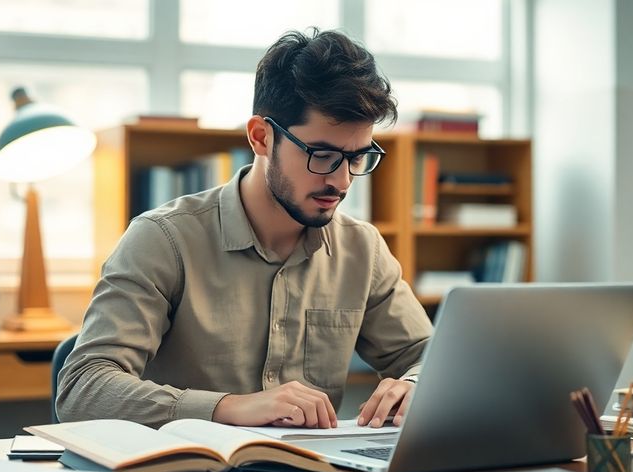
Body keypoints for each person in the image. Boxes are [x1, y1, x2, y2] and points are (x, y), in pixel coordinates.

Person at [56, 28, 431, 430]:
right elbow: (83, 388)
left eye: (357, 157)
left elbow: (429, 355)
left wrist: (415, 383)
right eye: (322, 155)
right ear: (261, 137)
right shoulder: (163, 240)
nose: (341, 181)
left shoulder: (362, 248)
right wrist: (228, 408)